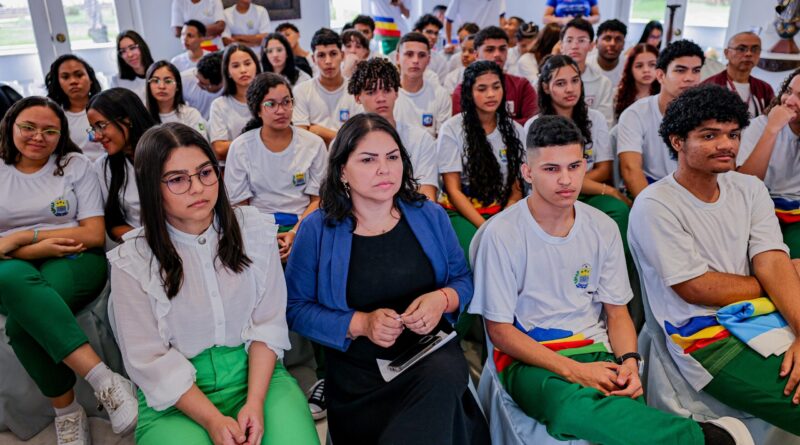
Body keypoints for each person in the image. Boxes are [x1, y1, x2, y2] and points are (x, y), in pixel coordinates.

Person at [470, 114, 753, 445]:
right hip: (529, 358)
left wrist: (629, 362)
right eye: (551, 169)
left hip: (594, 348)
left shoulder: (602, 227)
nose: (566, 179)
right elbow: (500, 331)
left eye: (574, 166)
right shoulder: (502, 234)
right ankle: (707, 439)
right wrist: (575, 371)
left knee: (622, 410)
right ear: (527, 172)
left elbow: (617, 313)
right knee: (566, 410)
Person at [284, 112, 491, 444]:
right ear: (342, 171)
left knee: (441, 379)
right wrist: (361, 323)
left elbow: (462, 280)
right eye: (368, 160)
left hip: (430, 353)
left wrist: (442, 300)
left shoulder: (429, 214)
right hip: (359, 372)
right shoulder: (317, 229)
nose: (384, 169)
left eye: (392, 157)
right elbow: (296, 309)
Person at [109, 122, 319, 445]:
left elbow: (268, 324)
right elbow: (149, 359)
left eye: (205, 173)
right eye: (177, 179)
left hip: (256, 376)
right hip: (176, 395)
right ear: (152, 187)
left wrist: (255, 403)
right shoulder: (132, 260)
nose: (197, 188)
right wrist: (212, 420)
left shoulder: (255, 231)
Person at [630, 83, 800, 437]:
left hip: (760, 316)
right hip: (703, 336)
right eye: (710, 135)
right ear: (678, 141)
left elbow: (771, 259)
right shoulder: (655, 204)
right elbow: (697, 288)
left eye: (733, 134)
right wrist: (774, 281)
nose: (726, 145)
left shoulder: (749, 188)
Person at [0, 97, 138, 445]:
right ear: (10, 125)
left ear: (61, 135)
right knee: (9, 281)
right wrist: (34, 250)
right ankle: (102, 382)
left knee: (21, 323)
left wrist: (23, 238)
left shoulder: (75, 165)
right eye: (28, 127)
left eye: (50, 131)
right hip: (11, 267)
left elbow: (92, 234)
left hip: (75, 258)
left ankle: (69, 411)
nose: (38, 137)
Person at [224, 72, 326, 262]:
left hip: (303, 224)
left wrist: (295, 233)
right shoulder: (241, 147)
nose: (281, 110)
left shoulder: (313, 144)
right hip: (257, 228)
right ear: (257, 109)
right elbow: (239, 205)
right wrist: (264, 238)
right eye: (271, 104)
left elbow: (317, 200)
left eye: (286, 102)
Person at [526, 55, 630, 236]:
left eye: (575, 81)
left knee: (618, 209)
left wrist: (577, 185)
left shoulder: (595, 118)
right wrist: (609, 190)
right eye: (560, 83)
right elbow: (537, 176)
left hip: (588, 191)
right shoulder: (534, 125)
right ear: (546, 87)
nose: (570, 89)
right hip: (550, 193)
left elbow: (604, 169)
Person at [439, 60, 525, 256]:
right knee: (478, 253)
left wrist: (504, 218)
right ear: (469, 92)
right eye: (482, 89)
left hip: (503, 209)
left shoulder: (515, 130)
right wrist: (487, 227)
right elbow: (453, 190)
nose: (491, 94)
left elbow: (516, 188)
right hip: (461, 212)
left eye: (496, 87)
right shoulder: (451, 129)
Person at [617, 39, 704, 198]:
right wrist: (652, 207)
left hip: (694, 190)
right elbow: (630, 170)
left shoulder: (707, 114)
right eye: (680, 70)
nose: (690, 78)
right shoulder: (635, 114)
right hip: (651, 189)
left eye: (696, 70)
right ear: (660, 75)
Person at [349, 58, 439, 200]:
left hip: (410, 210)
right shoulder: (345, 142)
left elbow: (427, 195)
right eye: (371, 92)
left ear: (396, 93)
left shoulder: (420, 140)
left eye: (387, 90)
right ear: (357, 97)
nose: (381, 98)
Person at [738, 67, 800, 258]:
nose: (789, 101)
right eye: (788, 91)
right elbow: (744, 182)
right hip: (758, 205)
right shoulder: (760, 125)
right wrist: (772, 129)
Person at [88, 88, 156, 240]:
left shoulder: (167, 152)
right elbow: (114, 223)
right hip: (138, 242)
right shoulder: (103, 166)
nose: (96, 136)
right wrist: (145, 241)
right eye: (93, 128)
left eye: (101, 125)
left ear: (128, 119)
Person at [452, 26, 539, 125]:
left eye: (502, 49)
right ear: (476, 55)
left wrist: (491, 125)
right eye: (490, 50)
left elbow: (532, 124)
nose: (497, 54)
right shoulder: (462, 90)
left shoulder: (522, 86)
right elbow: (462, 126)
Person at [293, 28, 361, 146]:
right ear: (313, 59)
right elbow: (301, 137)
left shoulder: (356, 90)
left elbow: (359, 138)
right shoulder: (301, 91)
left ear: (342, 55)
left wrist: (318, 130)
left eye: (333, 54)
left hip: (349, 155)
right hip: (313, 155)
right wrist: (342, 137)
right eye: (321, 55)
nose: (328, 61)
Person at [45, 54, 104, 161]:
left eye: (79, 75)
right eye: (65, 77)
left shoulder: (107, 108)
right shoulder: (54, 117)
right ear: (58, 83)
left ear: (90, 79)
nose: (73, 81)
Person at [702, 32, 774, 118]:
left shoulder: (764, 88)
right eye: (741, 49)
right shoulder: (709, 86)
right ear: (726, 53)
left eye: (755, 49)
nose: (749, 54)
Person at [209, 43, 261, 161]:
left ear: (256, 66)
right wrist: (259, 142)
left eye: (247, 64)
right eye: (236, 66)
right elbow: (219, 150)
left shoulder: (268, 100)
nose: (243, 70)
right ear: (228, 71)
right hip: (235, 167)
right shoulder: (219, 105)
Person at [395, 32, 451, 137]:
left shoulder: (440, 95)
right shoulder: (385, 95)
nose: (415, 60)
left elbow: (442, 140)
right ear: (397, 58)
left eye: (421, 55)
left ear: (428, 60)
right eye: (409, 54)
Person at [560, 18, 614, 127]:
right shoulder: (545, 81)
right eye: (569, 40)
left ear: (591, 46)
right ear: (561, 46)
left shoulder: (603, 83)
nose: (574, 46)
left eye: (581, 40)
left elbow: (605, 125)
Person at [145, 61, 208, 138]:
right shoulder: (142, 116)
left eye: (168, 81)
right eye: (155, 81)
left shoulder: (191, 114)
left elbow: (201, 143)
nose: (161, 86)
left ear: (177, 86)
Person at [614, 43, 660, 121]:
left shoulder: (665, 95)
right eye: (639, 66)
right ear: (630, 69)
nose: (646, 70)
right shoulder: (617, 94)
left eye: (652, 64)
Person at [111, 30, 154, 102]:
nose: (129, 55)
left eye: (132, 48)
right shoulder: (117, 81)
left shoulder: (158, 73)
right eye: (123, 51)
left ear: (142, 47)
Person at [181, 51, 224, 120]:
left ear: (221, 83)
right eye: (197, 77)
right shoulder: (183, 79)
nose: (198, 83)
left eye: (203, 83)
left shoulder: (233, 85)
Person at [589, 19, 627, 90]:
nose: (612, 44)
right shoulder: (586, 66)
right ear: (596, 43)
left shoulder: (629, 67)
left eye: (618, 39)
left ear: (624, 45)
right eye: (607, 39)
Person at [411, 14, 449, 81]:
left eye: (436, 33)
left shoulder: (440, 61)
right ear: (417, 32)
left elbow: (441, 85)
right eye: (429, 32)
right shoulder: (399, 55)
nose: (434, 37)